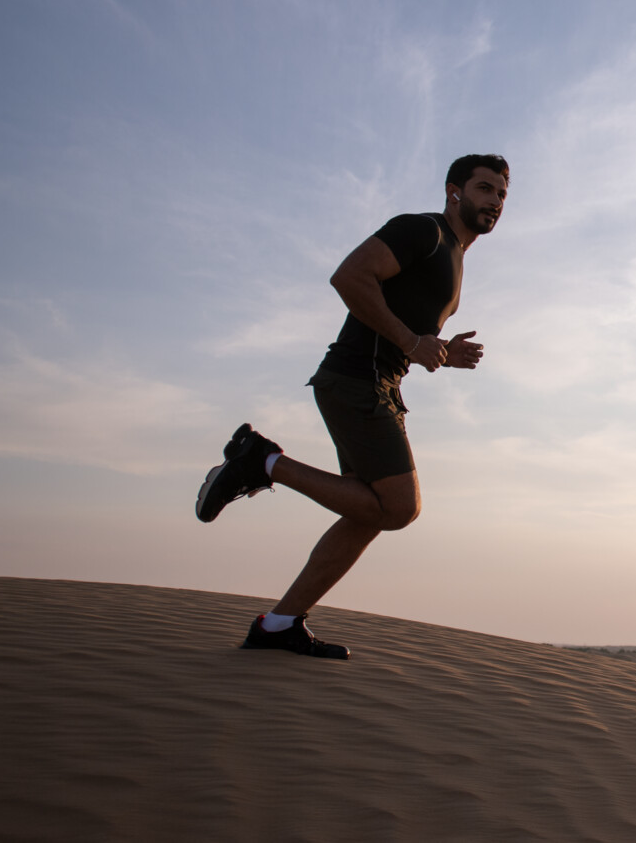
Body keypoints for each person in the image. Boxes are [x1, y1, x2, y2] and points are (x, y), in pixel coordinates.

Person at [195, 154, 510, 659]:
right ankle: (262, 461)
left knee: (368, 512)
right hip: (357, 379)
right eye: (484, 188)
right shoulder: (423, 231)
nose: (494, 201)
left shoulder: (454, 257)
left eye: (501, 194)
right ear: (454, 191)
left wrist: (439, 352)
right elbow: (349, 277)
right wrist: (412, 342)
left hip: (378, 383)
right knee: (400, 508)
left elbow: (404, 327)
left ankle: (280, 624)